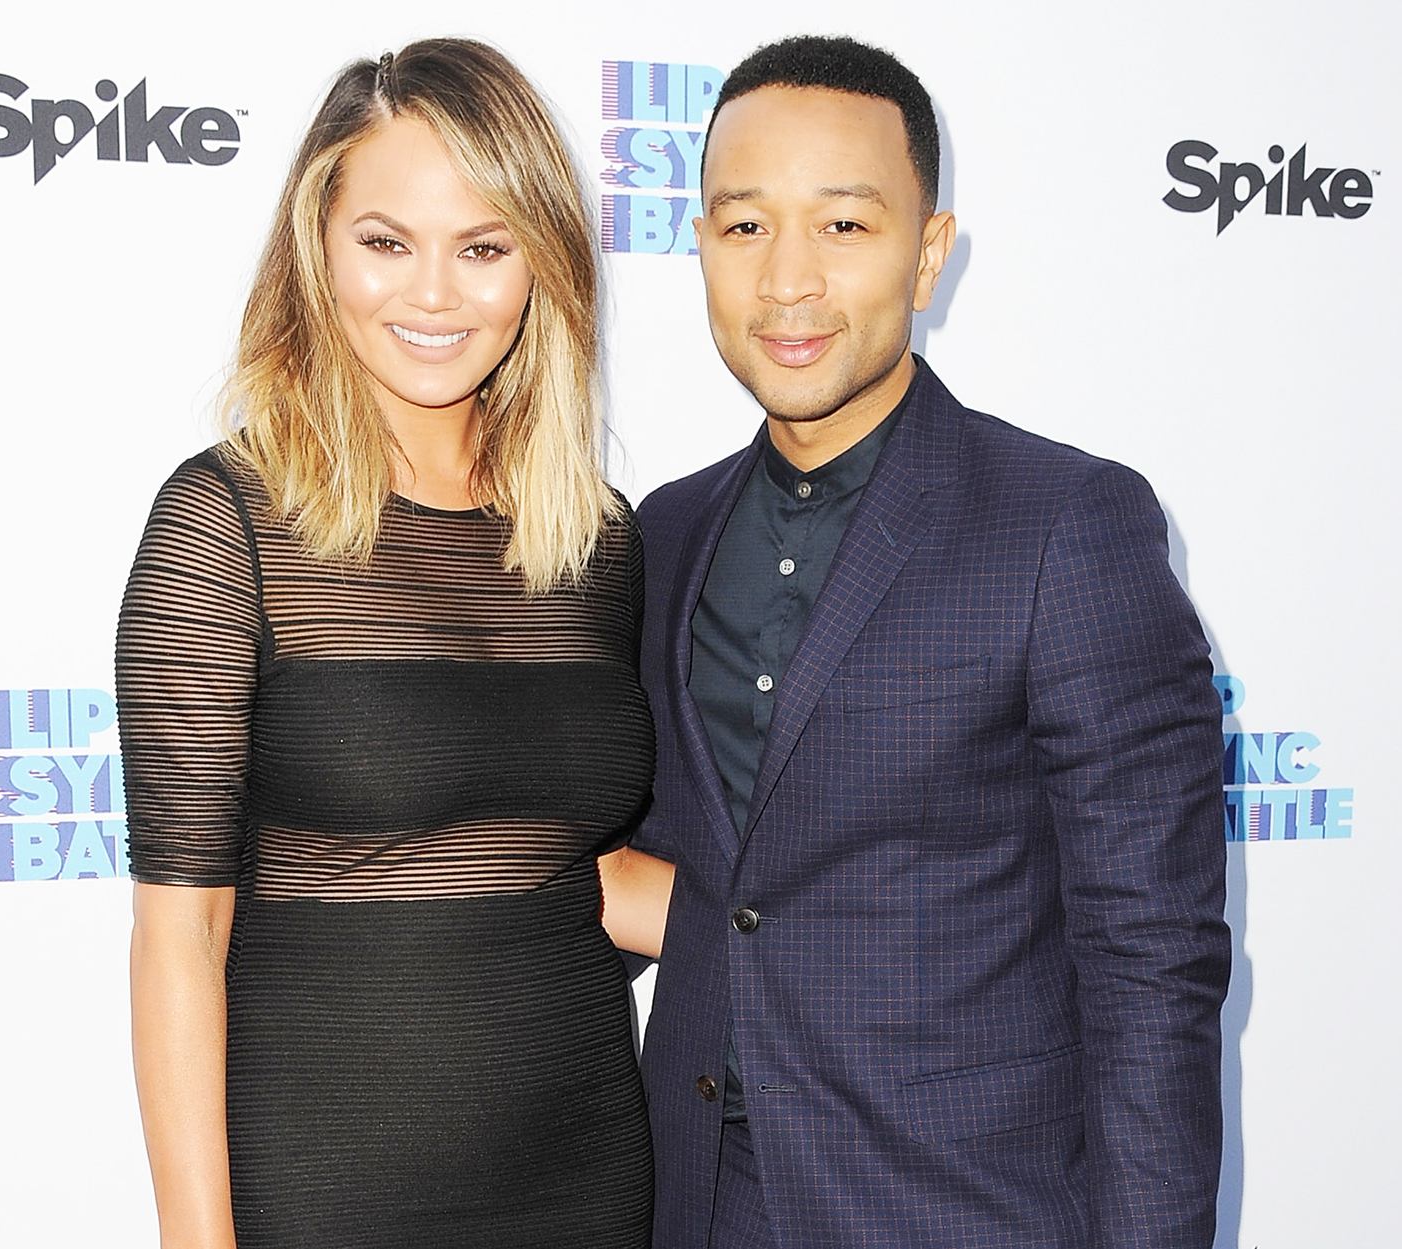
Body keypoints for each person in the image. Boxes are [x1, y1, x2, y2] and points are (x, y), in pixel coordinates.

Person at [631, 34, 1231, 1249]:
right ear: (698, 243)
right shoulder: (664, 532)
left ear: (929, 253)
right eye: (744, 228)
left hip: (959, 1212)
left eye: (843, 227)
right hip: (697, 1205)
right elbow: (684, 881)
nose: (786, 281)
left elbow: (1150, 966)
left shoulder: (1066, 526)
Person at [119, 38, 671, 1249]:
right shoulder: (229, 521)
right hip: (323, 1184)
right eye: (387, 241)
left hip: (584, 1171)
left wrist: (868, 928)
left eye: (483, 247)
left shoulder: (595, 538)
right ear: (318, 248)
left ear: (544, 265)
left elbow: (576, 871)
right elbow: (181, 931)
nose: (435, 294)